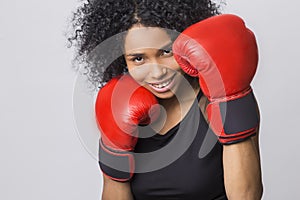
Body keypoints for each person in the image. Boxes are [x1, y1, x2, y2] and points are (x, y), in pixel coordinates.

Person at [68, 0, 263, 199]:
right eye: (138, 59)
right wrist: (114, 155)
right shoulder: (119, 106)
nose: (157, 72)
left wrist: (231, 102)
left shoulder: (218, 99)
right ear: (122, 59)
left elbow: (246, 196)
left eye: (166, 52)